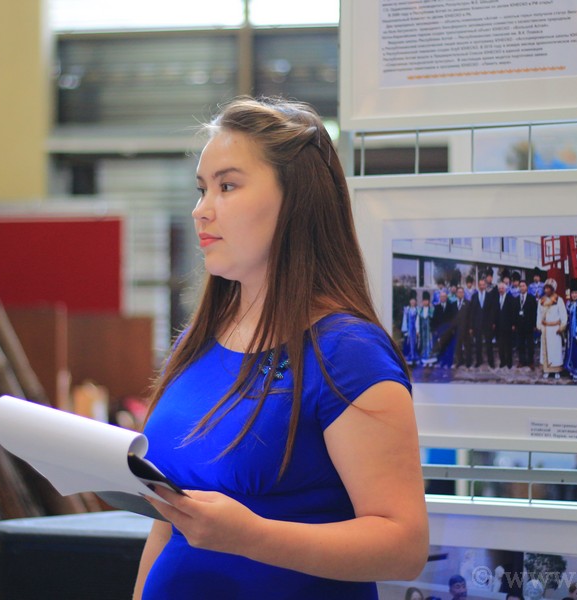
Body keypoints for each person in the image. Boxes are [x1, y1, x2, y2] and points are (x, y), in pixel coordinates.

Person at [135, 97, 428, 600]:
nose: (201, 210)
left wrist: (252, 536)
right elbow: (168, 527)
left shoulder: (347, 352)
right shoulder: (198, 340)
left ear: (296, 201)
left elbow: (403, 545)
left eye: (227, 186)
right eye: (202, 189)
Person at [536, 278, 567, 379]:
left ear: (553, 289)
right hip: (545, 329)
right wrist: (539, 326)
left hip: (555, 329)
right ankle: (546, 370)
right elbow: (539, 315)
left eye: (548, 288)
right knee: (546, 351)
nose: (546, 290)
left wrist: (562, 327)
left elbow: (563, 314)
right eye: (545, 288)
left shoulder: (559, 300)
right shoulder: (541, 301)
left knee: (555, 350)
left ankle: (557, 370)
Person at [468, 278, 497, 368]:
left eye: (483, 285)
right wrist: (471, 326)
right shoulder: (474, 296)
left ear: (485, 286)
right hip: (477, 324)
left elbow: (492, 311)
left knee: (489, 344)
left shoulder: (489, 296)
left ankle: (491, 361)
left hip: (487, 324)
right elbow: (471, 312)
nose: (481, 286)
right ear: (478, 286)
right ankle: (479, 361)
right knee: (478, 344)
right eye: (480, 285)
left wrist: (493, 322)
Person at [494, 280, 518, 368]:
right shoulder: (496, 298)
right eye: (499, 288)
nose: (501, 290)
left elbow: (513, 312)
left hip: (508, 326)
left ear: (505, 289)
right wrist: (494, 323)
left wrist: (513, 324)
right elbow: (494, 312)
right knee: (500, 346)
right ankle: (502, 361)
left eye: (502, 288)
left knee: (508, 345)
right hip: (498, 326)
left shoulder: (510, 298)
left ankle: (509, 362)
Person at [514, 280, 538, 368]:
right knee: (520, 344)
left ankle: (531, 361)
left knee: (530, 344)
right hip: (519, 325)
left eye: (523, 286)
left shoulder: (531, 298)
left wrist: (535, 325)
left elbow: (535, 312)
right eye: (520, 286)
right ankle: (522, 361)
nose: (522, 288)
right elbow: (514, 313)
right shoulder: (516, 299)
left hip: (529, 325)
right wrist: (514, 324)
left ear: (526, 287)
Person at [431, 290, 456, 368]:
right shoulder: (437, 307)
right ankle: (441, 362)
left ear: (446, 297)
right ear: (439, 298)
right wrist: (434, 330)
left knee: (449, 347)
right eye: (441, 297)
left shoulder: (451, 306)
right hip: (440, 331)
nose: (443, 298)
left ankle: (449, 362)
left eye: (444, 296)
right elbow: (434, 320)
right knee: (441, 347)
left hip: (448, 330)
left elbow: (453, 319)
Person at [453, 286, 472, 368]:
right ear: (456, 294)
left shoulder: (468, 303)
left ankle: (468, 362)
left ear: (464, 294)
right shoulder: (453, 304)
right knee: (458, 346)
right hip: (457, 329)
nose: (460, 294)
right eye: (459, 292)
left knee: (467, 345)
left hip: (466, 328)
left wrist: (470, 328)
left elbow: (471, 316)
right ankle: (460, 361)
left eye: (462, 292)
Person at [401, 295, 420, 365]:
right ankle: (409, 359)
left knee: (414, 343)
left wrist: (418, 330)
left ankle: (414, 358)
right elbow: (405, 319)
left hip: (414, 329)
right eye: (411, 300)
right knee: (408, 343)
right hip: (409, 329)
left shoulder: (417, 309)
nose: (412, 302)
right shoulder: (407, 309)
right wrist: (405, 329)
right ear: (409, 301)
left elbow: (418, 320)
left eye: (414, 300)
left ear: (415, 302)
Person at [418, 292, 435, 366]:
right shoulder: (420, 310)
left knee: (429, 344)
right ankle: (424, 360)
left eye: (426, 301)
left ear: (428, 301)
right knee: (423, 344)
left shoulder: (431, 309)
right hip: (422, 330)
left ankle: (430, 360)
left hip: (429, 330)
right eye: (424, 301)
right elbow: (418, 320)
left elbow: (433, 320)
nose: (425, 302)